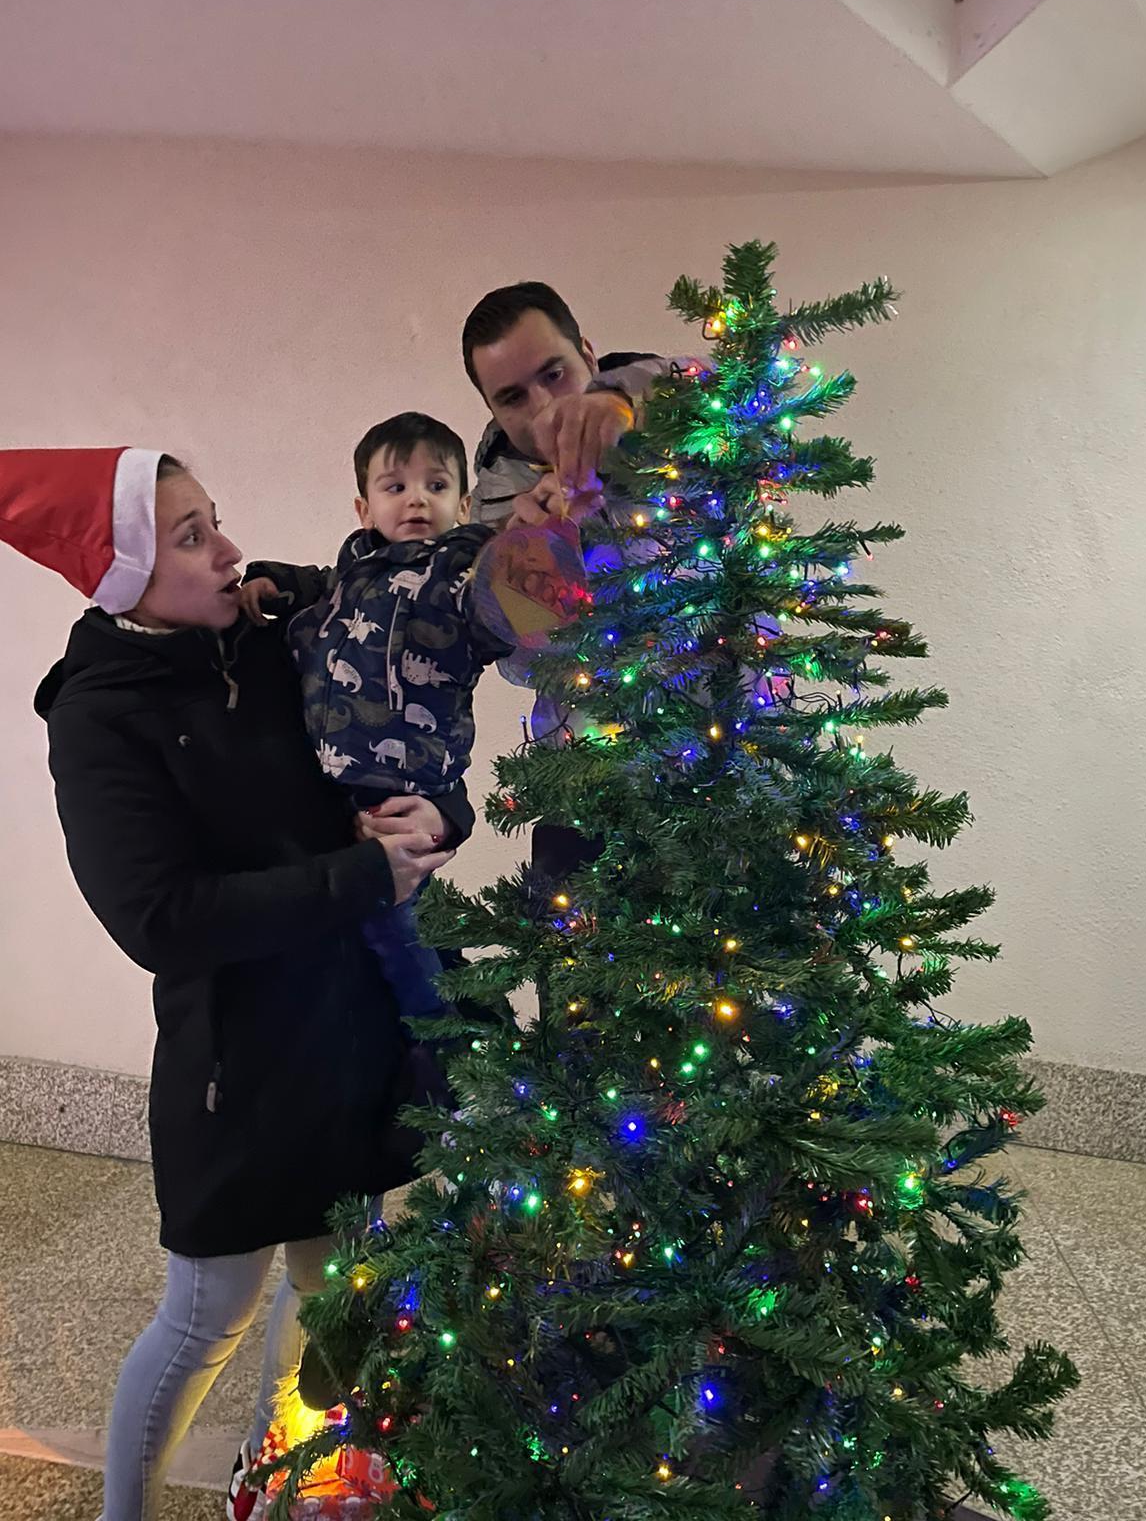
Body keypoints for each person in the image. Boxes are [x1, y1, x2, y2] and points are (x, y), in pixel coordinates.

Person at [0, 444, 457, 1521]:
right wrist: (358, 874)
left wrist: (440, 819)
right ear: (123, 575)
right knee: (210, 1307)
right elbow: (158, 918)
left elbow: (397, 695)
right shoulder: (99, 714)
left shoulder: (257, 630)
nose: (230, 551)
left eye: (215, 519)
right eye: (192, 538)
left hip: (351, 1022)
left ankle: (268, 1476)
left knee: (329, 1284)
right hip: (236, 1061)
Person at [240, 411, 588, 1015]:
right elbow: (325, 587)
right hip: (333, 784)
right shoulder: (355, 570)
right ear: (363, 508)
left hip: (403, 787)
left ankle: (445, 1039)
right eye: (395, 487)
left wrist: (542, 542)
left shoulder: (459, 571)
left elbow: (519, 615)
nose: (417, 500)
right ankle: (456, 1020)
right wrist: (276, 581)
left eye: (436, 485)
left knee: (395, 929)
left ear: (463, 502)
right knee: (381, 928)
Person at [461, 281, 703, 880]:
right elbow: (519, 666)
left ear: (589, 357)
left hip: (734, 756)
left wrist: (624, 403)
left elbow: (762, 381)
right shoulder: (492, 504)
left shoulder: (661, 409)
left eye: (554, 374)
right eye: (512, 396)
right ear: (492, 410)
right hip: (584, 787)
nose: (543, 407)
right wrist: (531, 564)